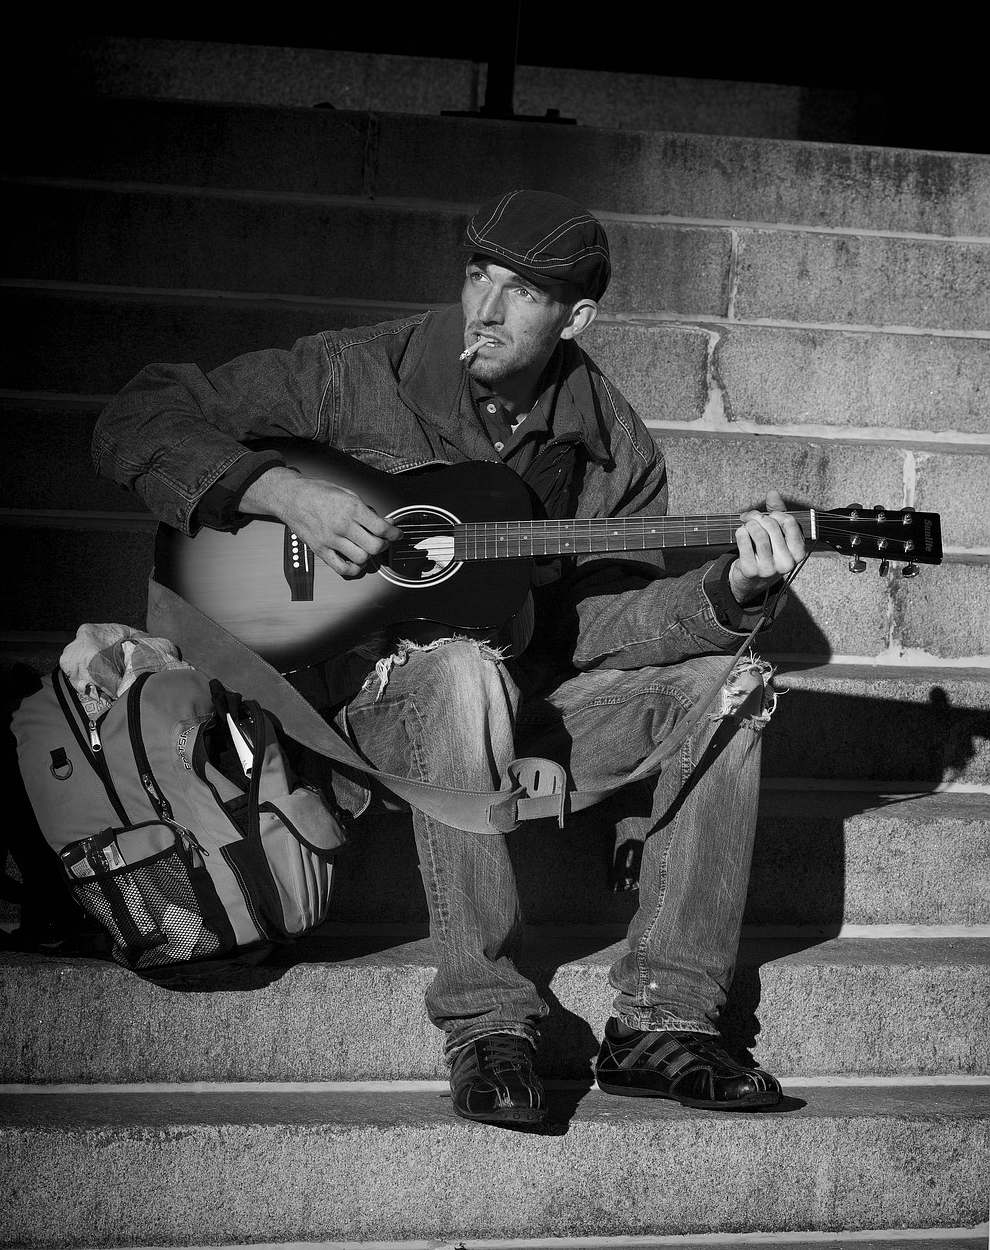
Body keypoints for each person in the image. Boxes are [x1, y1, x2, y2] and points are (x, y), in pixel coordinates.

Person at [93, 189, 806, 1127]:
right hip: (346, 703)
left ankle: (663, 1017)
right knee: (461, 665)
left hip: (515, 705)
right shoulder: (357, 373)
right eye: (479, 274)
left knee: (733, 683)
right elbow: (137, 416)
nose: (486, 307)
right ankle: (487, 1018)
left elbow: (600, 623)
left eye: (523, 292)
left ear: (576, 318)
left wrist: (732, 595)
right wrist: (280, 491)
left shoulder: (611, 447)